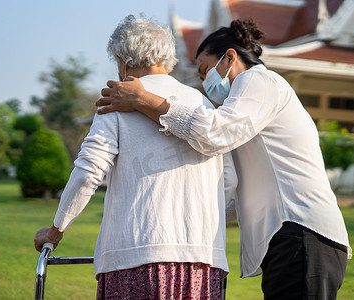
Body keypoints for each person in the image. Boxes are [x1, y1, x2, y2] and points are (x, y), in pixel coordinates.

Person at [95, 19, 352, 299]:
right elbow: (232, 190)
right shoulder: (244, 109)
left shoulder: (259, 80)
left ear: (230, 56)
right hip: (289, 239)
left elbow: (213, 134)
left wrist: (145, 100)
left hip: (303, 232)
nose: (206, 84)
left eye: (205, 70)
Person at [34, 15, 237, 300]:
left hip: (136, 257)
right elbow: (229, 180)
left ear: (122, 61)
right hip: (203, 264)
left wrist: (55, 230)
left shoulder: (117, 101)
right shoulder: (203, 103)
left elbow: (88, 172)